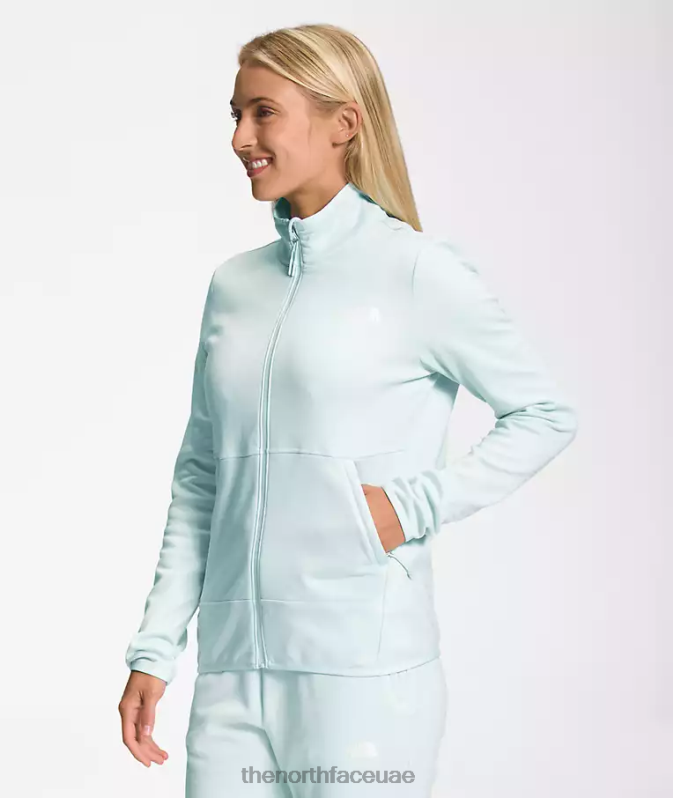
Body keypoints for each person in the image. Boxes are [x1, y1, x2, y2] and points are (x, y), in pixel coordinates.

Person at [118, 23, 578, 797]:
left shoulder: (415, 272)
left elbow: (543, 413)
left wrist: (408, 507)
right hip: (231, 677)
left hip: (362, 681)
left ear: (343, 122)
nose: (240, 138)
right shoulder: (233, 287)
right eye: (236, 114)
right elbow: (201, 479)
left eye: (263, 112)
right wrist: (155, 649)